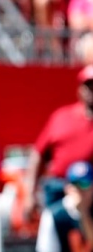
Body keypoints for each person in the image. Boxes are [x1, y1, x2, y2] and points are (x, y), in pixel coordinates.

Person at [23, 64, 93, 223]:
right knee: (54, 239)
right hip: (58, 191)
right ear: (80, 89)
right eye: (88, 86)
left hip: (89, 195)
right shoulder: (61, 117)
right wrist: (29, 195)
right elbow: (38, 156)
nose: (91, 91)